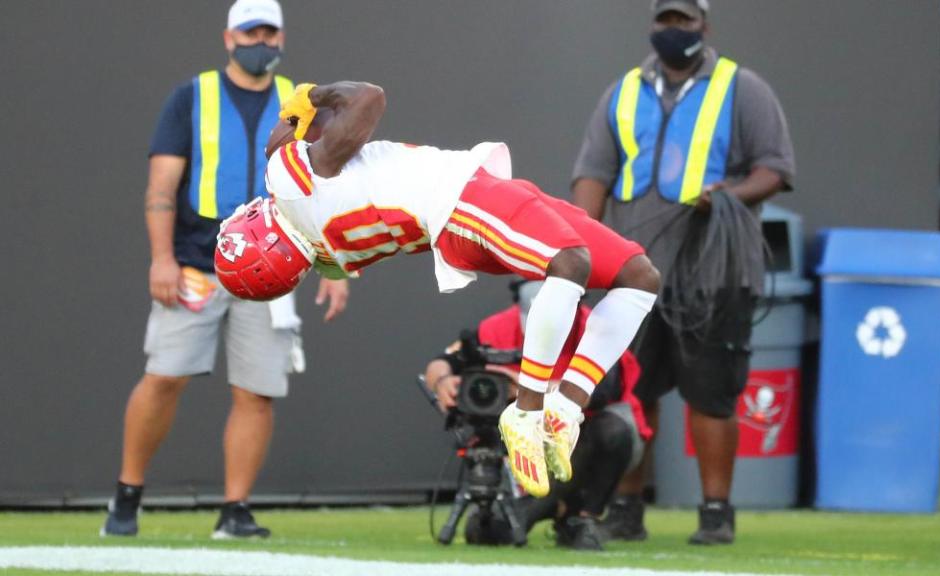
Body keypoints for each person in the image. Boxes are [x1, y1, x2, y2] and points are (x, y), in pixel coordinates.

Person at [215, 79, 662, 500]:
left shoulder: (329, 258)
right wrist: (315, 95)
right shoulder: (289, 185)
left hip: (463, 209)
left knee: (637, 276)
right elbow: (368, 99)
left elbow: (330, 154)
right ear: (258, 236)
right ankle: (527, 411)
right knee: (569, 263)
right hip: (458, 201)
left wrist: (298, 125)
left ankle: (565, 408)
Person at [101, 0, 348, 539]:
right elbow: (162, 186)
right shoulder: (192, 96)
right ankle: (127, 494)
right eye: (250, 30)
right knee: (164, 376)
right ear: (229, 37)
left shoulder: (300, 104)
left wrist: (337, 269)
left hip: (274, 272)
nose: (260, 40)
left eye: (269, 31)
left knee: (256, 391)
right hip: (196, 264)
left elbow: (326, 190)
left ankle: (235, 510)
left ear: (282, 39)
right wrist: (161, 258)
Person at [571, 0, 795, 545]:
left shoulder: (742, 88)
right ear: (653, 27)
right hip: (634, 272)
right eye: (665, 21)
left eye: (685, 22)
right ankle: (624, 506)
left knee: (710, 395)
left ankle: (715, 512)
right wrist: (579, 245)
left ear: (704, 27)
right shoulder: (622, 91)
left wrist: (726, 195)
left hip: (713, 271)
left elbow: (776, 169)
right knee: (627, 392)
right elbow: (593, 174)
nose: (674, 31)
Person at [423, 280, 652, 550]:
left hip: (583, 437)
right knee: (488, 532)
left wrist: (520, 385)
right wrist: (443, 382)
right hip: (522, 444)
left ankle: (583, 517)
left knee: (613, 430)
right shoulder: (495, 328)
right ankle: (553, 508)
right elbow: (442, 362)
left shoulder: (598, 332)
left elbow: (600, 393)